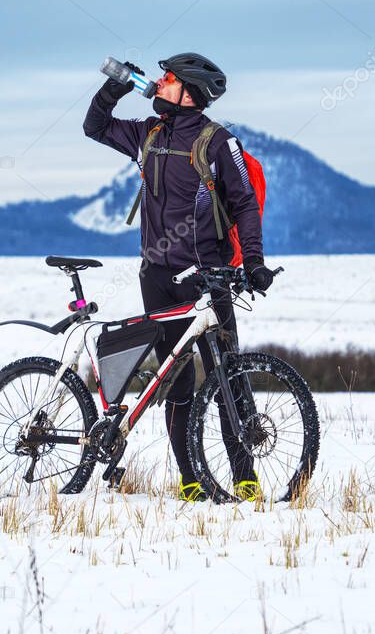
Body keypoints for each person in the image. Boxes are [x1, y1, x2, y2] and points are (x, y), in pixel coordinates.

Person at [83, 52, 274, 501]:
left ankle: (244, 476)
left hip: (209, 276)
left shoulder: (217, 142)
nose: (160, 83)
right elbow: (95, 125)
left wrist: (254, 262)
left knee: (229, 372)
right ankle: (191, 481)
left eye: (168, 79)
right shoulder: (148, 135)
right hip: (157, 274)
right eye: (162, 77)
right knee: (178, 378)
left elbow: (245, 203)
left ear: (190, 92)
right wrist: (119, 85)